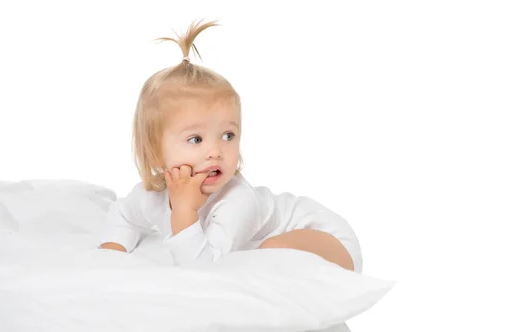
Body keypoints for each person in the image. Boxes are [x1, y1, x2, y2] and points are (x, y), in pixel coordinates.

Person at [98, 20, 363, 272]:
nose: (216, 151)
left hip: (327, 238)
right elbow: (123, 215)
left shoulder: (237, 200)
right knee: (260, 262)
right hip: (303, 240)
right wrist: (114, 250)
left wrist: (183, 210)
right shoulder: (150, 197)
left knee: (270, 257)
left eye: (228, 135)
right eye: (196, 140)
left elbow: (205, 267)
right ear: (155, 151)